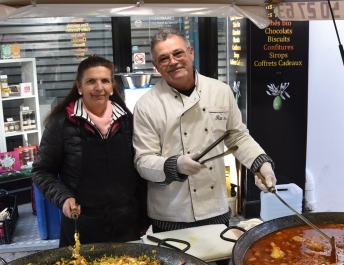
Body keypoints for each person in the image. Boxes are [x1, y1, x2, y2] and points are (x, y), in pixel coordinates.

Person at [133, 28, 276, 232]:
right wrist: (176, 165)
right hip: (171, 212)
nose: (173, 62)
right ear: (156, 66)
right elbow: (143, 161)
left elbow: (237, 136)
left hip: (214, 208)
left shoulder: (220, 91)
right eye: (163, 58)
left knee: (218, 264)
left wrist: (261, 164)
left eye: (178, 53)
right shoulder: (146, 105)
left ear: (191, 52)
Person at [33, 55, 148, 247]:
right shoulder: (61, 123)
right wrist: (63, 198)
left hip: (126, 224)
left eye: (105, 81)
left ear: (112, 87)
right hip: (81, 225)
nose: (98, 87)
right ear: (79, 86)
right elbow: (41, 171)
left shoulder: (128, 121)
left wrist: (144, 217)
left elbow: (140, 174)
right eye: (90, 81)